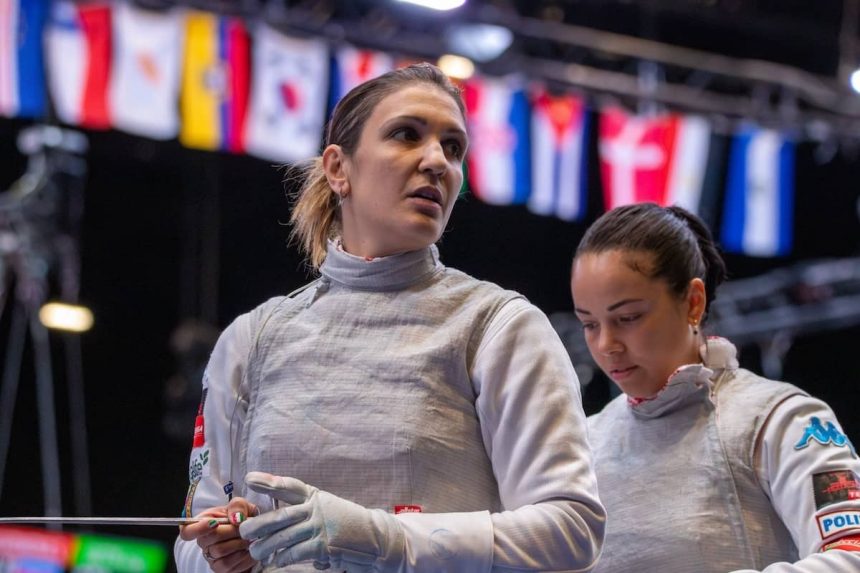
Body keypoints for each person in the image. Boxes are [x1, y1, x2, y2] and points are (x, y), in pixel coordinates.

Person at [174, 63, 605, 573]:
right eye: (406, 135)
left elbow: (571, 530)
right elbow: (190, 542)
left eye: (453, 147)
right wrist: (224, 551)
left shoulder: (499, 326)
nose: (436, 162)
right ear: (339, 168)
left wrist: (388, 538)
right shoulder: (252, 338)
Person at [570, 202, 860, 572]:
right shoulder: (584, 443)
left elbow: (852, 555)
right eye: (589, 324)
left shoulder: (780, 420)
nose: (606, 344)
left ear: (693, 302)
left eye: (628, 318)